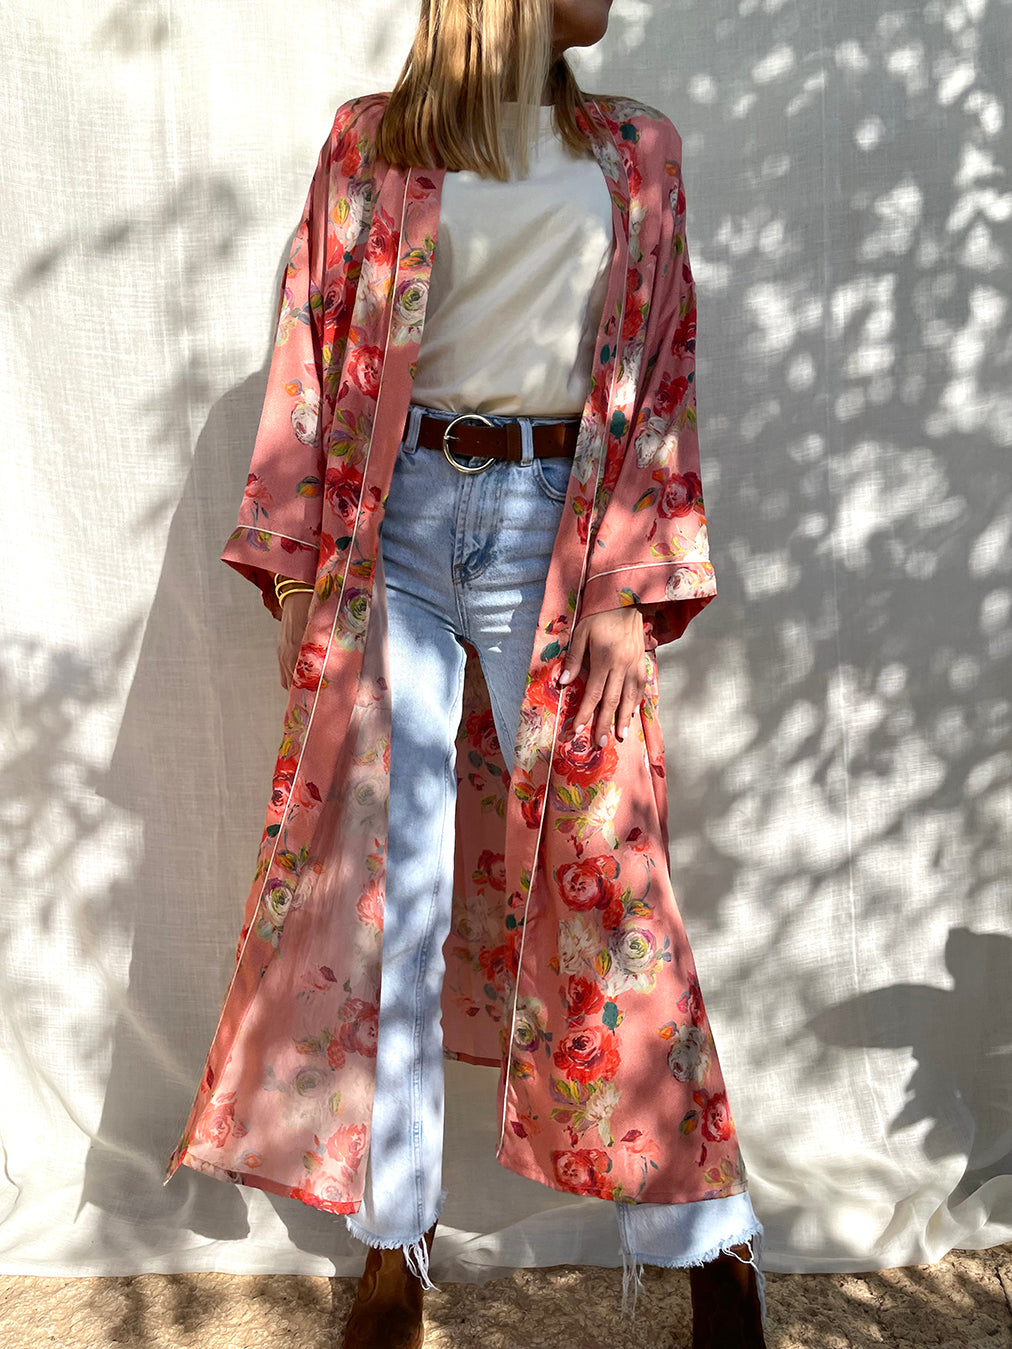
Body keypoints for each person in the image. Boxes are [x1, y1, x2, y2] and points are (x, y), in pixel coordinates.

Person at [164, 2, 768, 1346]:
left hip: (564, 531)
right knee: (395, 891)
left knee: (614, 881)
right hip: (396, 527)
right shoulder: (372, 144)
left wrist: (630, 583)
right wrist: (305, 571)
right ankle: (395, 1244)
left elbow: (662, 370)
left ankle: (707, 1237)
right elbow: (316, 345)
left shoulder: (635, 150)